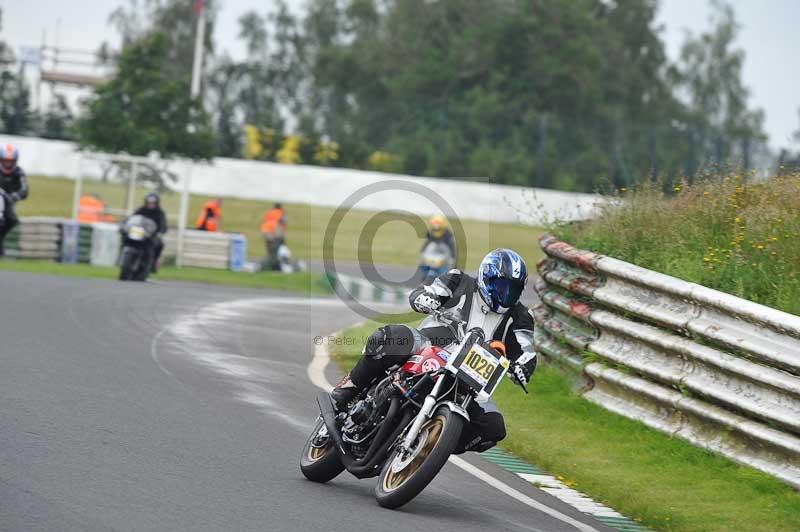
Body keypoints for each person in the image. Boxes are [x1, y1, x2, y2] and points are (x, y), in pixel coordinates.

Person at [331, 248, 537, 454]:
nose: (505, 295)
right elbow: (431, 290)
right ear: (486, 276)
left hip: (469, 382)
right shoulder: (459, 281)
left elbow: (525, 348)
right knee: (390, 337)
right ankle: (350, 387)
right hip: (428, 347)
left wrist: (523, 366)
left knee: (493, 427)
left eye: (513, 290)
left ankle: (431, 446)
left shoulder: (520, 317)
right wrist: (426, 298)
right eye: (501, 287)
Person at [0, 144, 29, 257]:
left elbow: (25, 190)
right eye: (5, 161)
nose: (7, 164)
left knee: (11, 220)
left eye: (10, 161)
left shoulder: (19, 173)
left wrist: (14, 196)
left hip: (8, 203)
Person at [134, 193, 167, 273]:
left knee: (160, 244)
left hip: (151, 235)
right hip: (138, 232)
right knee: (125, 238)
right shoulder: (141, 210)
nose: (151, 205)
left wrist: (161, 230)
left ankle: (153, 263)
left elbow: (163, 224)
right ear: (146, 202)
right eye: (149, 203)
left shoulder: (159, 212)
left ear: (156, 203)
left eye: (153, 203)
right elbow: (133, 218)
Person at [260, 202, 286, 271]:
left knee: (270, 250)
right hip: (274, 233)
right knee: (275, 252)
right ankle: (274, 267)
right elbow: (282, 224)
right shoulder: (281, 213)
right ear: (280, 207)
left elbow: (265, 221)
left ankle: (270, 264)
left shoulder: (269, 212)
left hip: (265, 232)